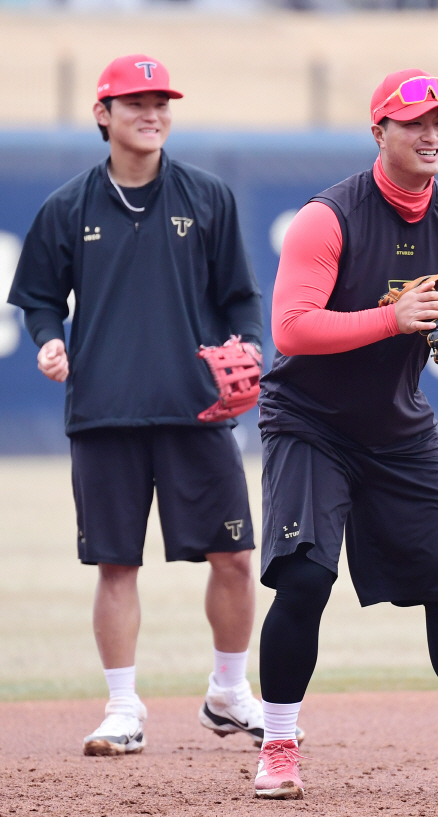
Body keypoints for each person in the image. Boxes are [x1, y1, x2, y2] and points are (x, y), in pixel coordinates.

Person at [252, 70, 438, 799]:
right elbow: (289, 327)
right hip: (309, 422)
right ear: (379, 131)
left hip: (398, 425)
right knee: (305, 577)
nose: (431, 134)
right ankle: (279, 744)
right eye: (414, 121)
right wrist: (395, 316)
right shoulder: (330, 217)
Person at [7, 54, 303, 755]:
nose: (152, 113)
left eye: (161, 102)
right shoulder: (66, 208)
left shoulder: (208, 197)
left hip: (196, 407)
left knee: (234, 555)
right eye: (135, 102)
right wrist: (50, 340)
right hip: (104, 411)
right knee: (117, 564)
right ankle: (121, 706)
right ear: (102, 115)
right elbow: (41, 299)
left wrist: (252, 345)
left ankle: (229, 692)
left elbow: (240, 295)